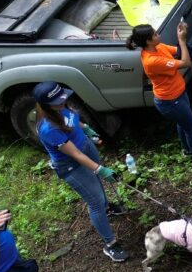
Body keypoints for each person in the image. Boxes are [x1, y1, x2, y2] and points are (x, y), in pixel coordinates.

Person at [33, 81, 127, 262]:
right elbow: (75, 155)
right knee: (95, 201)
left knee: (98, 184)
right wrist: (100, 169)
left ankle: (108, 209)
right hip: (71, 164)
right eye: (58, 100)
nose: (63, 101)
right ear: (46, 104)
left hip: (85, 146)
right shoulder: (48, 128)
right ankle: (110, 244)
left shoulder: (62, 106)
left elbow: (73, 118)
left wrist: (86, 129)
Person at [127, 23, 192, 172]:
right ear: (148, 41)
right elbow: (186, 63)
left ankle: (188, 150)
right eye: (155, 34)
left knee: (183, 124)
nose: (158, 35)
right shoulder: (151, 61)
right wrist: (182, 41)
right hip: (170, 101)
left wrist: (182, 41)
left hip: (178, 94)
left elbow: (180, 52)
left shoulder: (159, 47)